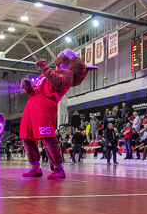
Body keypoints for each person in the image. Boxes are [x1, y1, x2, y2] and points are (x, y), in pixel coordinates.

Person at [20, 50, 94, 180]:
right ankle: (35, 168)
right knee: (27, 137)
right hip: (32, 105)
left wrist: (44, 67)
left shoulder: (68, 74)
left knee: (47, 137)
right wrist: (28, 89)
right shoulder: (48, 74)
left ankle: (59, 169)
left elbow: (58, 82)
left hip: (45, 104)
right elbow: (36, 91)